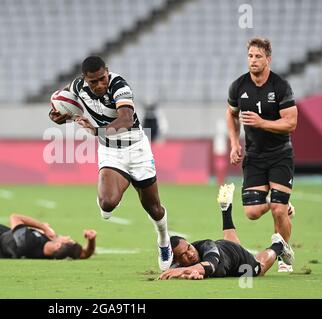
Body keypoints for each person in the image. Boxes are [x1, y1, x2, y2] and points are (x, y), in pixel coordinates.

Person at [48, 56, 173, 271]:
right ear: (84, 79)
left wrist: (96, 131)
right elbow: (61, 106)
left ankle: (164, 241)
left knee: (153, 207)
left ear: (107, 72)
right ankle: (107, 193)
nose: (98, 85)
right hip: (110, 151)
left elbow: (125, 120)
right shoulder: (78, 86)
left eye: (101, 79)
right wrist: (59, 116)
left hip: (137, 149)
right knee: (107, 204)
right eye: (93, 82)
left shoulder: (119, 86)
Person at [225, 38, 298, 272]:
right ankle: (282, 202)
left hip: (280, 155)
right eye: (250, 56)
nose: (253, 60)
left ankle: (283, 256)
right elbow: (230, 114)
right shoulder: (238, 86)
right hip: (254, 156)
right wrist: (235, 143)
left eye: (258, 56)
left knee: (278, 209)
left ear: (268, 58)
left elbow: (291, 123)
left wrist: (262, 123)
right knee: (252, 212)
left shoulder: (280, 86)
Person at [158, 184, 294, 280]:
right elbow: (185, 269)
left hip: (237, 258)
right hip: (226, 249)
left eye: (189, 247)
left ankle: (278, 245)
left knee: (258, 268)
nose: (191, 253)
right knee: (230, 247)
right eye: (184, 254)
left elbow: (208, 267)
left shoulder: (207, 246)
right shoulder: (177, 261)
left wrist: (181, 271)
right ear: (177, 259)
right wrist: (189, 273)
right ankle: (226, 210)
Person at [0, 214, 96, 260]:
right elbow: (85, 254)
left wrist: (43, 228)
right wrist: (91, 240)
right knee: (17, 230)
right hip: (12, 243)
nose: (67, 236)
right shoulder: (54, 251)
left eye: (67, 239)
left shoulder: (29, 241)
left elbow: (15, 217)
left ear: (58, 245)